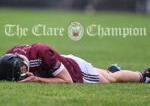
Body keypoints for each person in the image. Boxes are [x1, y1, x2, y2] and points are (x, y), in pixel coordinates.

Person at [0, 43, 149, 83]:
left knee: (111, 79)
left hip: (74, 70)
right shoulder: (7, 57)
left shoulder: (42, 52)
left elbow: (67, 81)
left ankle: (144, 76)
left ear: (25, 66)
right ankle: (112, 70)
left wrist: (37, 79)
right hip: (58, 62)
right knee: (108, 74)